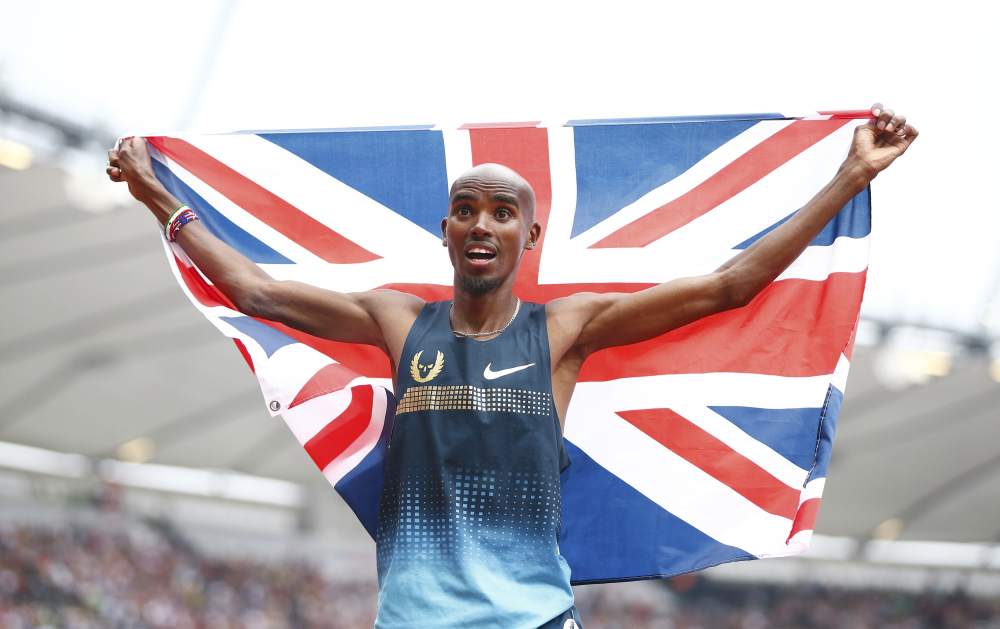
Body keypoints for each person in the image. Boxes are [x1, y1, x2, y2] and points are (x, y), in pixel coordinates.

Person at [107, 104, 917, 629]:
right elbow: (255, 289)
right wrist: (156, 196)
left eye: (502, 212)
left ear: (529, 237)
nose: (482, 223)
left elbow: (728, 286)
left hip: (533, 619)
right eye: (466, 210)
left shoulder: (563, 330)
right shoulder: (398, 321)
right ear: (446, 231)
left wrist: (849, 175)